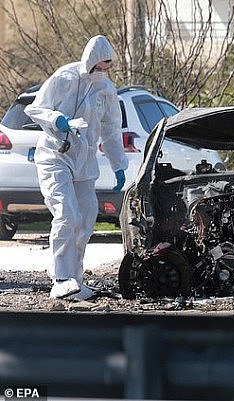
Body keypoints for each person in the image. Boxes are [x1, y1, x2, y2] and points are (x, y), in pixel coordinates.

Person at [25, 35, 128, 300]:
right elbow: (36, 109)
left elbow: (111, 129)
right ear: (91, 59)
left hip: (84, 161)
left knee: (85, 218)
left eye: (108, 65)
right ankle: (60, 278)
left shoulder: (106, 89)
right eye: (102, 64)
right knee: (66, 215)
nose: (105, 70)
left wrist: (118, 164)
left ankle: (75, 281)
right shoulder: (65, 77)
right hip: (54, 156)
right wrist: (57, 120)